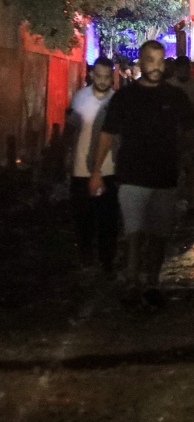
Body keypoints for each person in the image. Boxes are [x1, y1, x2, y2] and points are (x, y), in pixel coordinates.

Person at [89, 41, 194, 308]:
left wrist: (185, 159)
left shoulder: (175, 96)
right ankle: (132, 283)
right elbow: (107, 133)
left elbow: (192, 131)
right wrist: (96, 172)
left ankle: (151, 282)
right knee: (134, 234)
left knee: (159, 235)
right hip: (132, 176)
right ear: (141, 62)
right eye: (151, 60)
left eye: (161, 61)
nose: (156, 66)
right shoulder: (126, 97)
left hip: (165, 177)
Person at [66, 57, 118, 277]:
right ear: (91, 75)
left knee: (108, 221)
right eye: (99, 76)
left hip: (109, 170)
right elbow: (70, 131)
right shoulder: (79, 99)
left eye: (107, 76)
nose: (103, 80)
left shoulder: (117, 102)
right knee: (83, 219)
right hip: (81, 170)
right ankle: (87, 259)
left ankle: (107, 264)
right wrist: (66, 160)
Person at [168, 56, 194, 217]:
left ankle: (191, 204)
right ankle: (173, 203)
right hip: (174, 134)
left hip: (191, 133)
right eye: (181, 69)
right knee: (175, 169)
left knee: (193, 171)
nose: (183, 71)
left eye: (186, 68)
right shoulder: (169, 85)